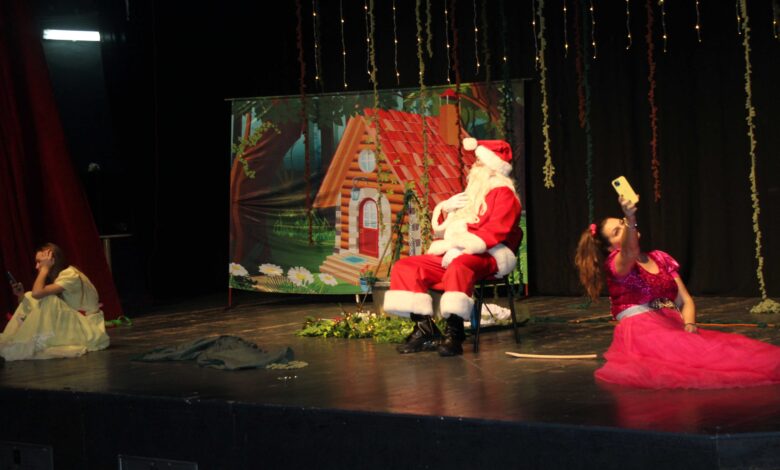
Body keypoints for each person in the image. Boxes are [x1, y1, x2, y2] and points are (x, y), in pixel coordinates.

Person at [575, 195, 780, 389]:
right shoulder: (616, 264)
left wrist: (689, 324)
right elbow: (630, 251)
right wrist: (630, 218)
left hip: (673, 326)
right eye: (617, 232)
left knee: (730, 352)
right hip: (644, 333)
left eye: (622, 223)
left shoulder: (660, 258)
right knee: (715, 366)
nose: (625, 228)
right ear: (611, 248)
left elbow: (685, 300)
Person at [383, 138, 522, 356]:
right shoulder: (474, 193)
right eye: (476, 161)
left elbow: (495, 231)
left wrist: (462, 248)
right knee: (407, 267)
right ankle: (425, 329)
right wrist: (445, 210)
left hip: (489, 254)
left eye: (479, 161)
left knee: (459, 266)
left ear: (493, 166)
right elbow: (447, 230)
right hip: (456, 251)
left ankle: (455, 333)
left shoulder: (505, 195)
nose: (474, 166)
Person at [1, 243, 110, 361]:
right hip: (76, 324)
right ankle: (16, 338)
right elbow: (34, 296)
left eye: (40, 262)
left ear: (52, 261)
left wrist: (45, 269)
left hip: (88, 330)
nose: (37, 266)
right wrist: (20, 295)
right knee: (28, 296)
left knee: (49, 299)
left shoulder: (70, 274)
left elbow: (37, 293)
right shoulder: (62, 276)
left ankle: (24, 342)